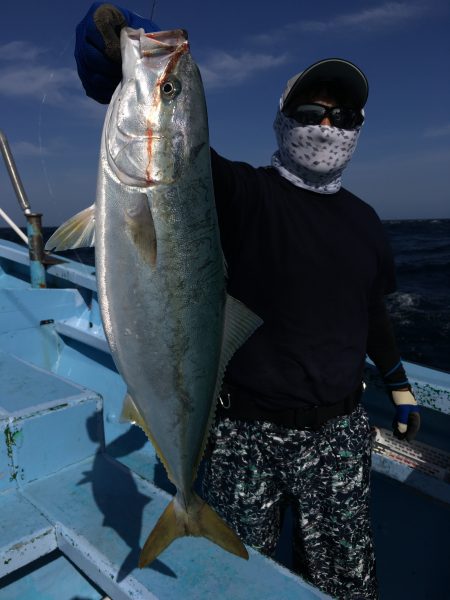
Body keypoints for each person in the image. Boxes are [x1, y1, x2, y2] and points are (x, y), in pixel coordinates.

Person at [75, 4, 421, 599]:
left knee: (345, 589)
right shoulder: (241, 193)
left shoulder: (365, 222)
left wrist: (398, 383)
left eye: (344, 115)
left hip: (338, 435)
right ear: (282, 119)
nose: (327, 125)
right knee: (239, 586)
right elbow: (169, 152)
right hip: (243, 431)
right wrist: (109, 52)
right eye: (311, 110)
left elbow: (371, 311)